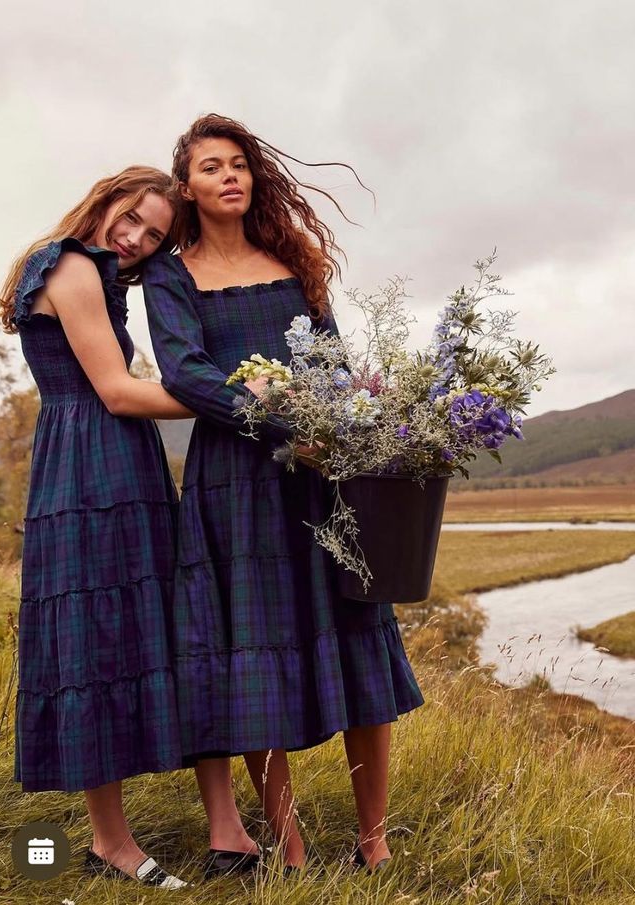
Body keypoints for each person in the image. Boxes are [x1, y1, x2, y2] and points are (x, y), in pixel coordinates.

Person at [142, 115, 424, 877]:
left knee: (359, 636)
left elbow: (332, 360)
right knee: (255, 653)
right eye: (210, 167)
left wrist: (330, 423)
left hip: (321, 476)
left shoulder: (293, 263)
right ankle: (290, 844)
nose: (229, 175)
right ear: (188, 186)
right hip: (234, 482)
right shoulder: (171, 275)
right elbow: (183, 372)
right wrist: (270, 414)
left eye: (238, 164)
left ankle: (374, 836)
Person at [0, 167, 195, 890]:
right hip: (92, 465)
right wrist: (237, 400)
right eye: (132, 217)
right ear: (106, 197)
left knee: (114, 634)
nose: (137, 237)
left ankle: (113, 835)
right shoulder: (74, 266)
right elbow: (115, 391)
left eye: (154, 234)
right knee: (94, 640)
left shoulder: (89, 272)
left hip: (102, 458)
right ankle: (109, 842)